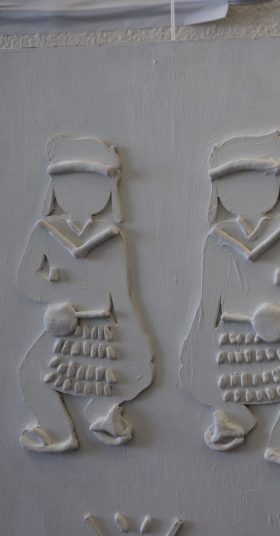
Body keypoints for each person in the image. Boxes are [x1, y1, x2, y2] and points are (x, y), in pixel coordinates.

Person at [180, 131, 280, 467]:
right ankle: (234, 421)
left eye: (260, 184)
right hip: (231, 336)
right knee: (220, 385)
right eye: (234, 187)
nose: (247, 195)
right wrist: (199, 337)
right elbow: (210, 297)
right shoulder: (218, 241)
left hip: (274, 332)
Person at [17, 135, 153, 452]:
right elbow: (27, 279)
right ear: (55, 189)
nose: (81, 196)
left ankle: (104, 417)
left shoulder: (111, 239)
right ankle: (57, 431)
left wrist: (134, 332)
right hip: (62, 324)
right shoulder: (46, 233)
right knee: (33, 373)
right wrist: (55, 290)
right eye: (70, 187)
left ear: (108, 193)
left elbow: (120, 293)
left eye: (93, 188)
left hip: (101, 328)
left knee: (110, 378)